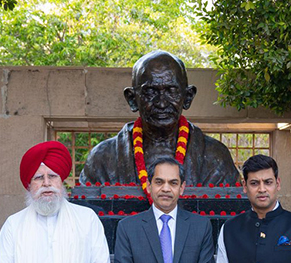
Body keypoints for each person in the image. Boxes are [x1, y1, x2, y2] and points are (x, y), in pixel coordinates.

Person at [79, 50, 240, 188]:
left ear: (187, 97)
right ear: (132, 99)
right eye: (150, 92)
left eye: (171, 91)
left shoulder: (216, 157)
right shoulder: (102, 158)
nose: (162, 103)